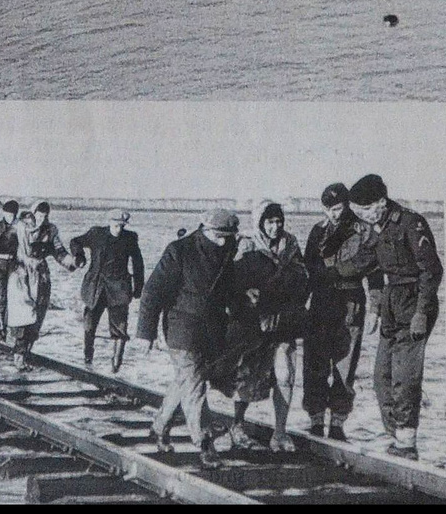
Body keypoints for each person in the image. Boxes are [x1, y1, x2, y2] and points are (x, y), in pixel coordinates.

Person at [138, 209, 239, 470]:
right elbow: (152, 292)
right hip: (181, 328)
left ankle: (159, 427)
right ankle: (205, 444)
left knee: (185, 381)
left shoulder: (227, 250)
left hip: (211, 331)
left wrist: (242, 296)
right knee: (195, 385)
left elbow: (227, 288)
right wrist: (146, 334)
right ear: (205, 229)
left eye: (228, 237)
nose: (223, 241)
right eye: (219, 236)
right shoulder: (180, 251)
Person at [351, 173, 441, 461]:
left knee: (405, 377)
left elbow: (432, 270)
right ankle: (396, 436)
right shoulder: (376, 228)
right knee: (381, 378)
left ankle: (407, 444)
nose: (362, 216)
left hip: (414, 300)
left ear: (380, 202)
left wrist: (421, 313)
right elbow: (367, 265)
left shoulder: (411, 223)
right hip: (391, 300)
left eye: (365, 210)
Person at [210, 200, 307, 453]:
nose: (275, 227)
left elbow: (302, 280)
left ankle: (280, 432)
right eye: (270, 222)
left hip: (283, 321)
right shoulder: (247, 244)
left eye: (279, 222)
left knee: (285, 375)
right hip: (252, 324)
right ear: (260, 222)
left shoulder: (291, 245)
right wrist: (248, 297)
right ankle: (238, 425)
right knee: (246, 374)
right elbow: (231, 282)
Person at [302, 182, 381, 441]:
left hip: (350, 302)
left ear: (347, 205)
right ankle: (315, 420)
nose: (334, 214)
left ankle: (337, 423)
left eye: (337, 208)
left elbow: (376, 273)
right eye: (329, 209)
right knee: (315, 363)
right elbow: (307, 272)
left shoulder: (364, 230)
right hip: (321, 302)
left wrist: (375, 310)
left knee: (345, 367)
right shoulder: (318, 232)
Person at [7, 202, 80, 371]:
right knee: (23, 315)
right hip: (20, 275)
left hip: (41, 276)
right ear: (32, 214)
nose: (42, 219)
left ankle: (27, 352)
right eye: (39, 215)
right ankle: (18, 355)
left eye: (45, 216)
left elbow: (58, 251)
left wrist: (73, 262)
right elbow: (3, 246)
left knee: (38, 314)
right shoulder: (19, 228)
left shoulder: (50, 230)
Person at [69, 209, 145, 372]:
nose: (119, 229)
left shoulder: (130, 238)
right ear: (110, 222)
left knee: (120, 329)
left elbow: (138, 262)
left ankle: (116, 366)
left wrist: (138, 288)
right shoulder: (96, 234)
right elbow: (75, 241)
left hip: (118, 290)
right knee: (89, 326)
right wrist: (79, 256)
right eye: (116, 225)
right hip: (95, 288)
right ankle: (87, 360)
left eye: (122, 226)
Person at [0, 200, 20, 341]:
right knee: (0, 295)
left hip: (13, 264)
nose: (9, 217)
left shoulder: (20, 227)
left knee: (10, 296)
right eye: (7, 214)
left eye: (12, 214)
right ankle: (1, 329)